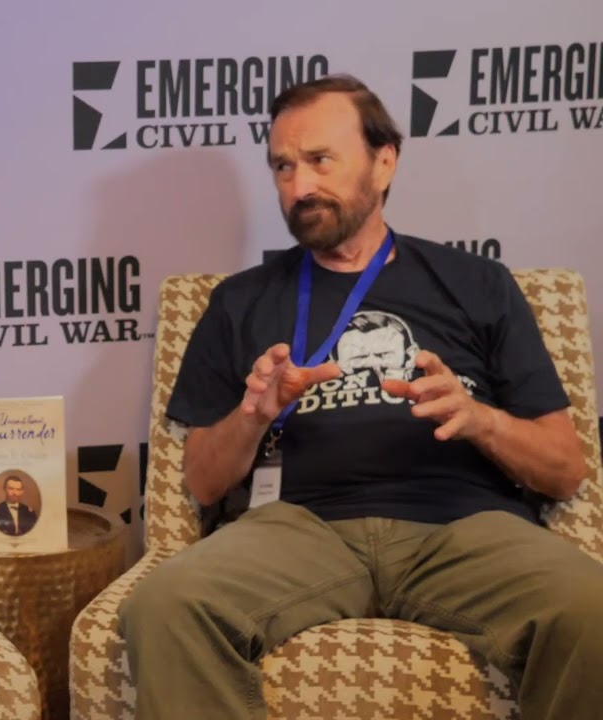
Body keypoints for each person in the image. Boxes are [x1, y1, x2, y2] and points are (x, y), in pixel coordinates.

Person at [118, 74, 603, 720]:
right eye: (283, 166)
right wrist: (252, 415)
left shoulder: (477, 284)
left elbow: (565, 469)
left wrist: (480, 420)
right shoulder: (239, 302)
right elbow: (203, 483)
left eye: (320, 160)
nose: (299, 186)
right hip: (299, 530)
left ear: (384, 162)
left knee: (593, 607)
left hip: (461, 527)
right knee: (165, 606)